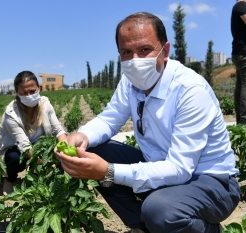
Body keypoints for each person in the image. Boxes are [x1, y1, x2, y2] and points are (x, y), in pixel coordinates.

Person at [55, 12, 240, 233]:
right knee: (92, 149)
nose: (135, 60)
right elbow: (109, 118)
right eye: (126, 52)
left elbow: (180, 169)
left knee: (159, 210)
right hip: (164, 171)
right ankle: (141, 227)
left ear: (165, 50)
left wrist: (108, 172)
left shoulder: (190, 90)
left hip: (211, 182)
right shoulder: (130, 82)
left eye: (145, 50)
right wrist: (82, 136)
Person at [0, 70, 66, 194]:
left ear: (38, 88)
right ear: (17, 93)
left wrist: (65, 149)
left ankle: (37, 175)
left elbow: (58, 130)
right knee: (14, 159)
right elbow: (25, 146)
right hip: (15, 147)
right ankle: (10, 179)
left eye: (32, 91)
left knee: (49, 147)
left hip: (38, 143)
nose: (29, 95)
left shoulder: (45, 103)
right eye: (24, 93)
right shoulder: (11, 113)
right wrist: (48, 162)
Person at [231, 0, 246, 125]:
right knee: (245, 85)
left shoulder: (238, 7)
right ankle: (244, 121)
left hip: (239, 53)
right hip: (243, 53)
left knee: (241, 85)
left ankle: (240, 122)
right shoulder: (241, 6)